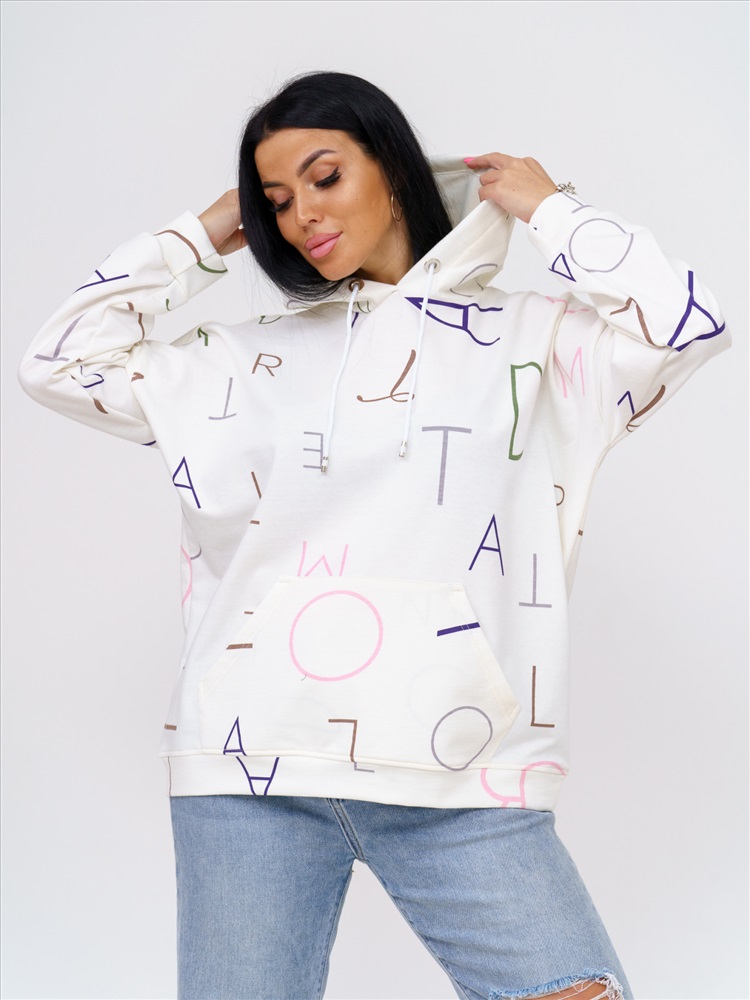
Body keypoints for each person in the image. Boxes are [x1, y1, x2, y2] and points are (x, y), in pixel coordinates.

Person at [18, 71, 729, 1000]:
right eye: (276, 200)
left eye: (324, 177)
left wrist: (552, 210)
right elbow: (56, 362)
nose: (301, 215)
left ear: (393, 168)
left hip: (461, 775)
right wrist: (200, 236)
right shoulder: (240, 360)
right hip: (249, 769)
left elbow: (688, 325)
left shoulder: (539, 343)